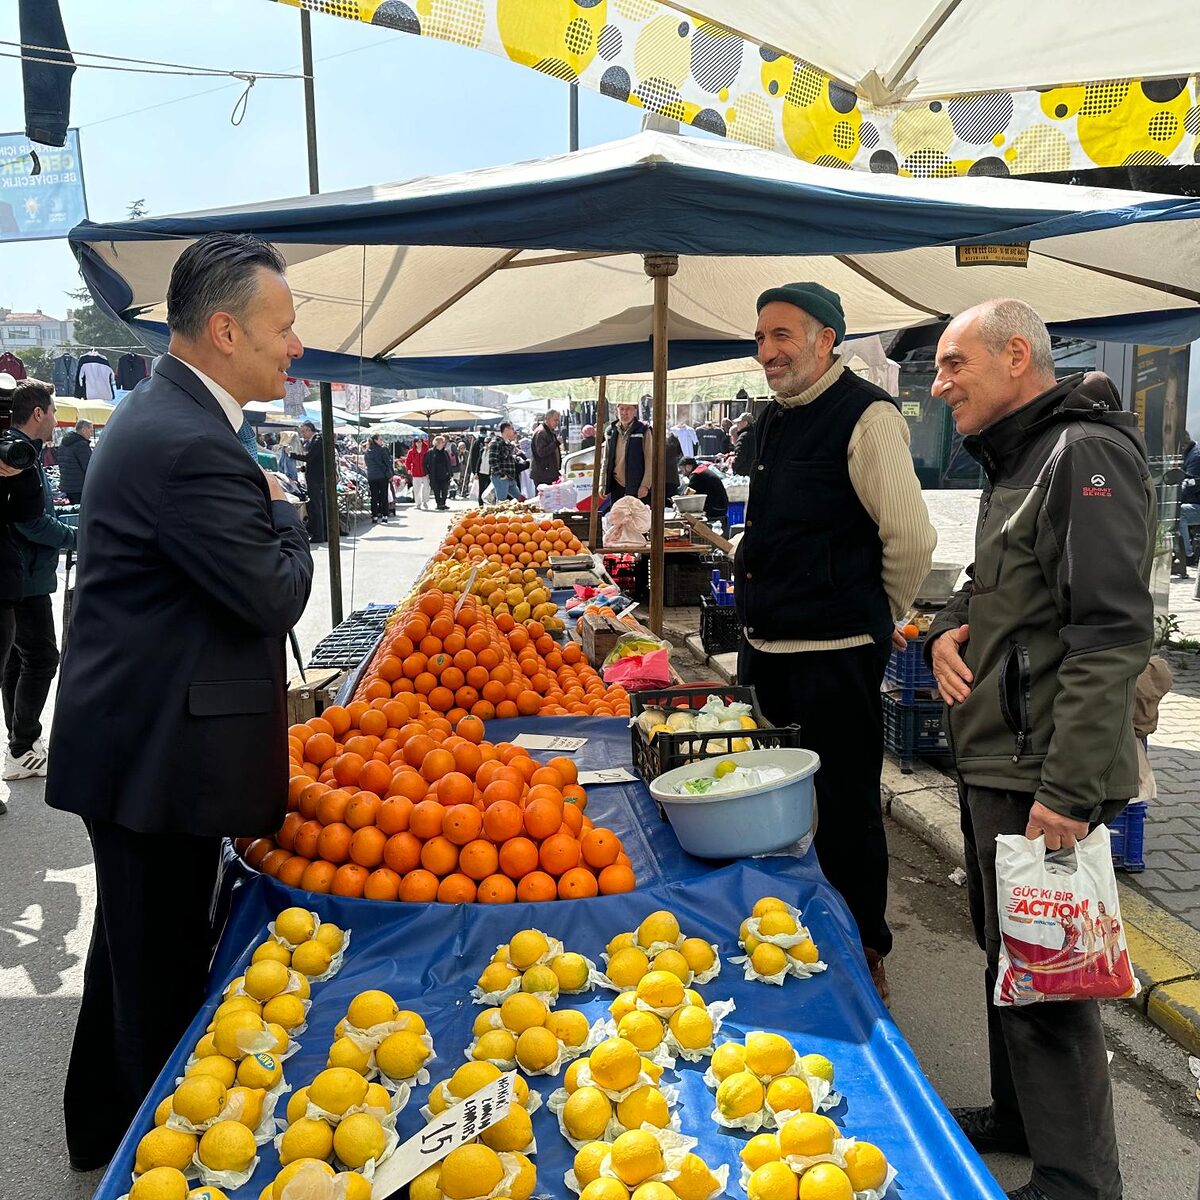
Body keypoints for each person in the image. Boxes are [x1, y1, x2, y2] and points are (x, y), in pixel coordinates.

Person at [46, 231, 314, 1172]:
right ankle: (153, 1167)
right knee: (156, 977)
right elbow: (274, 594)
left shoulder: (171, 421)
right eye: (283, 329)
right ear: (225, 329)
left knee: (126, 956)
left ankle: (100, 1137)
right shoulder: (191, 446)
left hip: (134, 741)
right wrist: (283, 510)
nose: (295, 347)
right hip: (155, 754)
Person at [925, 299, 1153, 1200]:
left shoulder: (1082, 454)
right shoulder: (1018, 457)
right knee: (1006, 952)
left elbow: (1110, 632)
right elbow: (999, 582)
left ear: (1017, 355)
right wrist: (949, 627)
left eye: (953, 365)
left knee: (1051, 979)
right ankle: (1020, 1119)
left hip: (1039, 767)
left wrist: (1066, 789)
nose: (939, 386)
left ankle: (1076, 1182)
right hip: (997, 755)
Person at [735, 282, 935, 1001]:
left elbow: (910, 536)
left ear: (827, 341)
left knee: (846, 806)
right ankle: (780, 926)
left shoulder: (867, 415)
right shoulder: (772, 420)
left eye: (782, 336)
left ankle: (863, 946)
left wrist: (875, 617)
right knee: (765, 803)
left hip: (836, 654)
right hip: (768, 648)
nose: (767, 352)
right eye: (760, 338)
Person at [2, 382, 76, 781]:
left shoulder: (16, 450)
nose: (54, 418)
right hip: (25, 576)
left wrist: (72, 520)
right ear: (37, 414)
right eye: (52, 410)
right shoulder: (21, 456)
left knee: (19, 658)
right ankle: (23, 744)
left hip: (20, 574)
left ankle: (20, 741)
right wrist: (77, 535)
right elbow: (31, 522)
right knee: (42, 657)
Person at [603, 402, 653, 506]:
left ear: (635, 411)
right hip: (617, 485)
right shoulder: (610, 431)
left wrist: (645, 485)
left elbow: (650, 460)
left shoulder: (643, 430)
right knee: (619, 519)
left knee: (637, 519)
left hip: (637, 485)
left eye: (628, 409)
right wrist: (602, 484)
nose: (624, 412)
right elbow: (605, 460)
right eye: (621, 409)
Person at [292, 419, 326, 543]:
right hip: (317, 477)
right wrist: (302, 468)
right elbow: (315, 462)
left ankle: (319, 534)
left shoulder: (317, 441)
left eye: (303, 431)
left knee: (316, 507)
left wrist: (292, 455)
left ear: (309, 430)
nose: (302, 434)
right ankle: (320, 532)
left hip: (316, 480)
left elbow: (309, 458)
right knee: (317, 506)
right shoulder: (315, 441)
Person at [1175, 430, 1200, 571]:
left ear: (1183, 445)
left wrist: (1176, 497)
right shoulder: (1191, 453)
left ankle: (1187, 554)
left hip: (1197, 504)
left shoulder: (1196, 457)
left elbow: (1191, 485)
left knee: (1179, 512)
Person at [678, 457, 728, 526]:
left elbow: (687, 495)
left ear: (688, 466)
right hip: (721, 507)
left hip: (715, 509)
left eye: (682, 470)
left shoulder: (696, 475)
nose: (682, 473)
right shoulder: (702, 470)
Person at [56, 418, 93, 504]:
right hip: (79, 486)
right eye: (90, 431)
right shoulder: (81, 445)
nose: (91, 434)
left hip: (67, 486)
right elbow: (88, 467)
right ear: (83, 430)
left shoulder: (64, 443)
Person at [488, 422, 527, 501]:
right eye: (512, 429)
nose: (514, 431)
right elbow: (492, 461)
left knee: (520, 499)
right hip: (501, 477)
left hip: (510, 477)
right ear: (506, 430)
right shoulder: (496, 442)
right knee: (502, 502)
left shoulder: (507, 443)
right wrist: (501, 474)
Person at [364, 432, 393, 523]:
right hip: (382, 475)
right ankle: (384, 515)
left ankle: (375, 516)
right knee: (384, 496)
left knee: (374, 496)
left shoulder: (367, 452)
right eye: (380, 439)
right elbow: (388, 462)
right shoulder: (382, 450)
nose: (382, 441)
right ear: (375, 440)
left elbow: (367, 464)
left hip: (372, 476)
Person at [531, 409, 563, 487]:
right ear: (548, 419)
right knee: (543, 497)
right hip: (543, 474)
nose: (557, 423)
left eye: (558, 420)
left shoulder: (549, 431)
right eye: (555, 420)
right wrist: (556, 443)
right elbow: (541, 452)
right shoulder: (541, 432)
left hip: (549, 474)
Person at [423, 434, 453, 510]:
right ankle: (438, 504)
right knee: (436, 490)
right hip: (434, 475)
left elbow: (449, 463)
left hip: (445, 475)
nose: (442, 443)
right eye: (440, 442)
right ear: (436, 443)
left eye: (443, 442)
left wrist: (450, 473)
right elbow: (424, 463)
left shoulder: (445, 452)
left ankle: (443, 503)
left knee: (445, 490)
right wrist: (427, 473)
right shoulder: (430, 452)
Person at [404, 437, 431, 510]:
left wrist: (430, 471)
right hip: (415, 472)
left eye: (420, 441)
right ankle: (418, 503)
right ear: (415, 443)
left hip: (425, 472)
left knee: (426, 488)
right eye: (417, 442)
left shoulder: (427, 451)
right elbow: (407, 461)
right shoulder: (411, 452)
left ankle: (425, 501)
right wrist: (408, 469)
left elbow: (430, 461)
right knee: (416, 489)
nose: (419, 443)